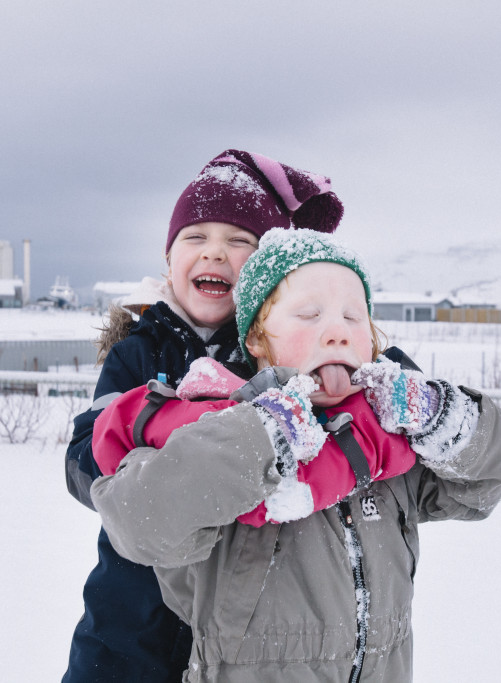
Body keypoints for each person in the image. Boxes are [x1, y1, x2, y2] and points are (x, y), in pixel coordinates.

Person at [91, 228, 501, 682]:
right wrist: (263, 436)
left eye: (355, 318)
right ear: (255, 339)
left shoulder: (390, 446)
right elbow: (141, 523)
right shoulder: (210, 426)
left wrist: (439, 415)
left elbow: (482, 486)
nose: (337, 333)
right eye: (309, 315)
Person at [62, 150, 344, 682]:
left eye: (240, 242)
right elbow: (82, 456)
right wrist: (156, 456)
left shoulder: (283, 351)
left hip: (248, 630)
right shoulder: (138, 353)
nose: (215, 252)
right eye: (195, 238)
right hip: (128, 624)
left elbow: (365, 370)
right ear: (169, 260)